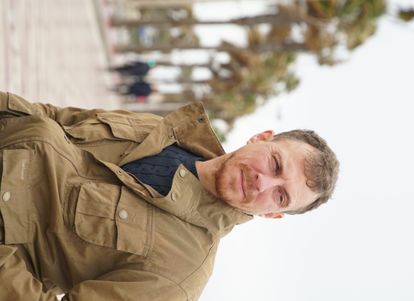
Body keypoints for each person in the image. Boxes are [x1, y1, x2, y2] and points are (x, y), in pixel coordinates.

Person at [0, 91, 339, 301]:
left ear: (272, 215)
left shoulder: (182, 272)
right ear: (261, 137)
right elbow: (58, 117)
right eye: (275, 163)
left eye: (280, 196)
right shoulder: (163, 131)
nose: (262, 183)